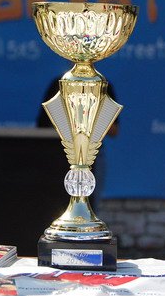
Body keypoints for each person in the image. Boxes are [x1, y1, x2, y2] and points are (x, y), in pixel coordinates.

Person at [36, 78, 118, 212]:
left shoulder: (102, 85)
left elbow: (114, 131)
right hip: (57, 155)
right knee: (54, 204)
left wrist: (90, 113)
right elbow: (43, 126)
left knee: (90, 206)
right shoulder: (58, 84)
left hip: (92, 158)